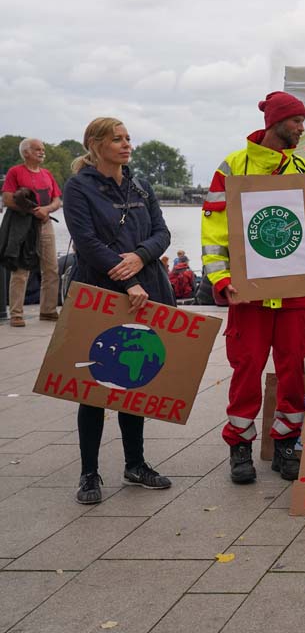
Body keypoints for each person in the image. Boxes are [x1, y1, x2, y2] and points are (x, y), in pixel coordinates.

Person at [202, 91, 305, 485]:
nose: (301, 127)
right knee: (247, 369)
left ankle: (287, 444)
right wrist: (221, 279)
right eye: (296, 120)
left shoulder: (303, 168)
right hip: (248, 292)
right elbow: (212, 229)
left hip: (293, 293)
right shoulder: (233, 166)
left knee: (292, 369)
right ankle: (239, 446)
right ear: (276, 121)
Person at [62, 118, 174, 504]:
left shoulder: (140, 184)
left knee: (135, 379)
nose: (127, 145)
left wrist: (140, 257)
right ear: (95, 144)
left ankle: (135, 464)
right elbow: (87, 241)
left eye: (128, 138)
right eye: (117, 139)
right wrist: (128, 278)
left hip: (144, 288)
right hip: (100, 290)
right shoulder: (78, 187)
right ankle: (89, 474)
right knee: (93, 385)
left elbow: (162, 233)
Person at [2, 138, 62, 326]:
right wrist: (33, 211)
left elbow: (57, 200)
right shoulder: (15, 172)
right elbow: (8, 199)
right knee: (21, 269)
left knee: (51, 268)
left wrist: (46, 210)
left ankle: (48, 310)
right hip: (23, 225)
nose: (42, 152)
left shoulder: (47, 173)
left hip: (45, 224)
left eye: (43, 149)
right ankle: (17, 313)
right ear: (26, 152)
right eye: (37, 149)